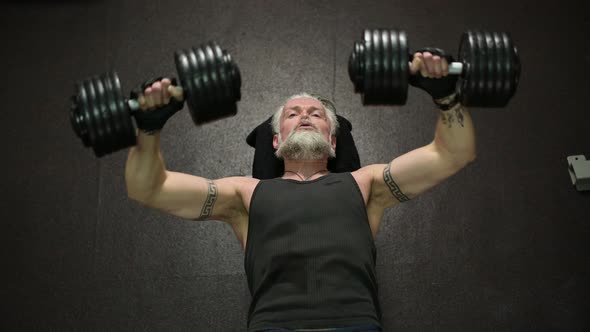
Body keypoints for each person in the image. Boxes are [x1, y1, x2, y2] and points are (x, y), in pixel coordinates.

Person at [125, 51, 476, 332]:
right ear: (276, 139)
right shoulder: (243, 194)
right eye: (292, 114)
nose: (305, 115)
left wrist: (447, 97)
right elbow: (149, 188)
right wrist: (149, 128)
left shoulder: (366, 184)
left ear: (333, 140)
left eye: (317, 114)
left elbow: (452, 154)